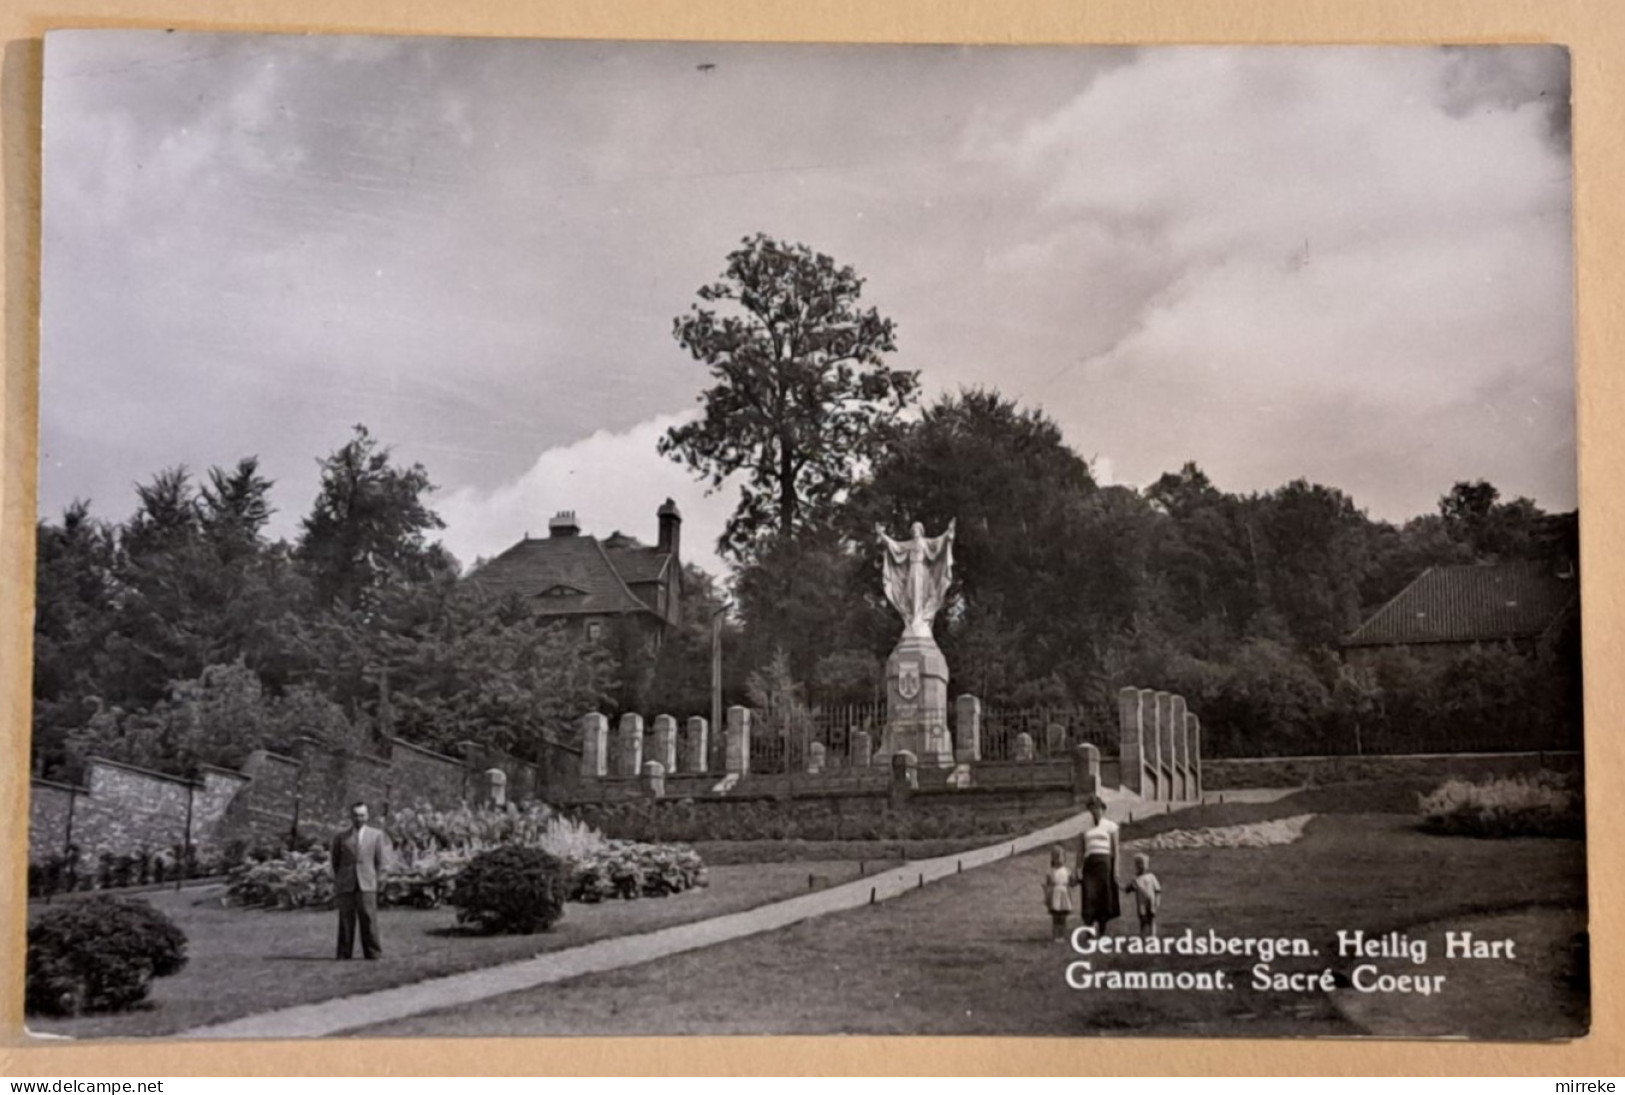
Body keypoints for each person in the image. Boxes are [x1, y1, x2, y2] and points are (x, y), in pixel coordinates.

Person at [330, 800, 391, 960]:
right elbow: (335, 861)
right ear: (351, 816)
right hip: (347, 883)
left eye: (362, 815)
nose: (359, 819)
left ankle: (373, 953)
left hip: (367, 883)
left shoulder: (376, 835)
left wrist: (377, 880)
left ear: (368, 816)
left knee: (369, 919)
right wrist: (341, 879)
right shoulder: (341, 837)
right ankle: (344, 954)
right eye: (356, 815)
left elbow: (380, 861)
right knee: (345, 920)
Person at [1074, 795, 1121, 937]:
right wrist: (1077, 868)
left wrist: (1116, 869)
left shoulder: (1111, 826)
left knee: (1103, 896)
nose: (1096, 811)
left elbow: (1116, 850)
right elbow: (1080, 851)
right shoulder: (1084, 829)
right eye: (1092, 809)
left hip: (1105, 863)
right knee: (1089, 895)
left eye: (1098, 808)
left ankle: (1102, 930)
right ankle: (1089, 930)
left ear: (1103, 809)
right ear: (1089, 810)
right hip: (1090, 864)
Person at [1040, 845, 1074, 941]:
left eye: (1061, 857)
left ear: (1065, 858)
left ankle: (1062, 935)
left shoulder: (1067, 871)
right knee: (1055, 917)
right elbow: (1047, 884)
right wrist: (1046, 896)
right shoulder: (1051, 871)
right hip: (1055, 894)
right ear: (1053, 858)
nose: (1059, 859)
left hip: (1064, 894)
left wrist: (1074, 879)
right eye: (1056, 857)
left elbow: (1071, 883)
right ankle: (1055, 936)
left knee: (1063, 917)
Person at [1124, 852, 1162, 937]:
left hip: (1151, 902)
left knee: (1152, 917)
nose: (1143, 867)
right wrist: (1128, 887)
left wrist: (1157, 901)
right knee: (1143, 918)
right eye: (1140, 864)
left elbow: (1158, 890)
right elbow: (1128, 889)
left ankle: (1152, 934)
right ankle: (1143, 934)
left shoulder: (1151, 877)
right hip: (1141, 904)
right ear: (1137, 866)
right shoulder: (1136, 879)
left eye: (1145, 864)